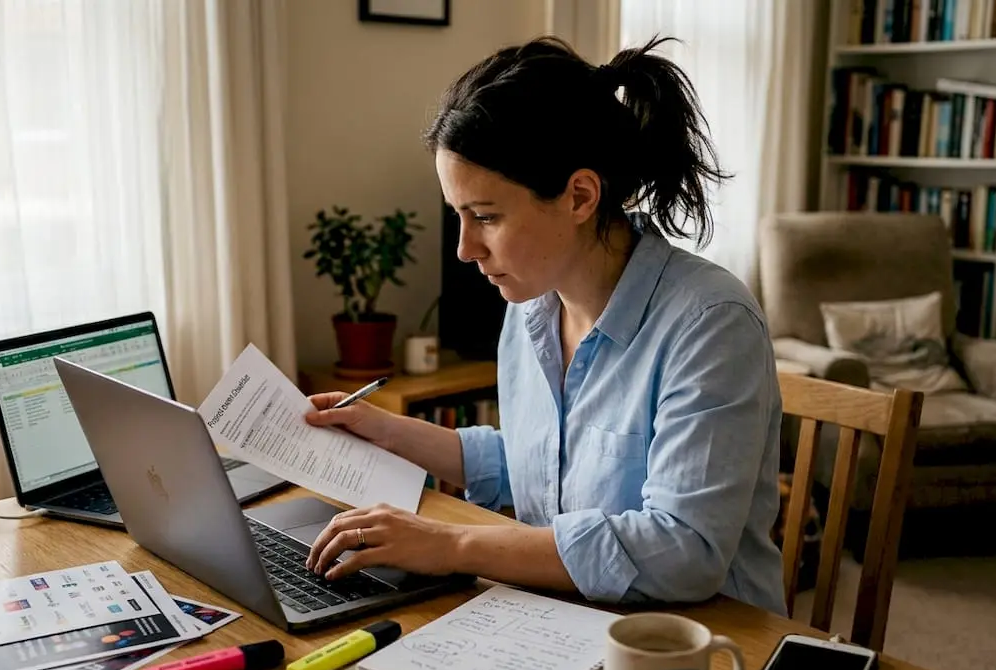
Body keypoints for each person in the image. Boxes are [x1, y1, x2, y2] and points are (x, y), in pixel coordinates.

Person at [303, 34, 786, 615]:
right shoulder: (531, 307)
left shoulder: (711, 324)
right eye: (459, 216)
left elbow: (683, 550)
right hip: (564, 619)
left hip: (699, 644)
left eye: (485, 216)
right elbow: (540, 465)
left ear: (580, 196)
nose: (464, 248)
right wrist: (383, 430)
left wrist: (453, 543)